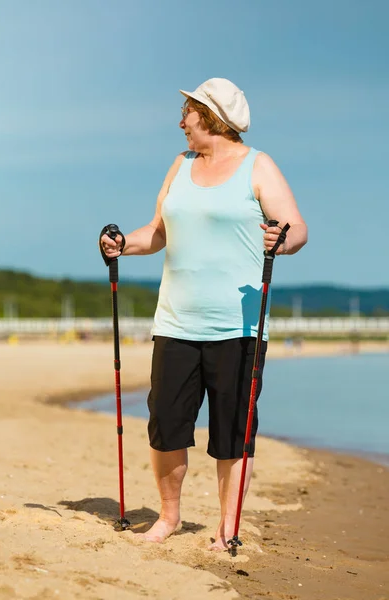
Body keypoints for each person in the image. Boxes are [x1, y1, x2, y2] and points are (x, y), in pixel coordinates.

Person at [101, 77, 308, 550]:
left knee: (232, 432)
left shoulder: (259, 166)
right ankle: (168, 517)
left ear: (211, 117)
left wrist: (283, 238)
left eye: (187, 113)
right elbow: (157, 231)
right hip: (176, 322)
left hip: (238, 326)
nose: (181, 122)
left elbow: (295, 231)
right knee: (166, 424)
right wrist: (122, 246)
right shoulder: (181, 164)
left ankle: (226, 527)